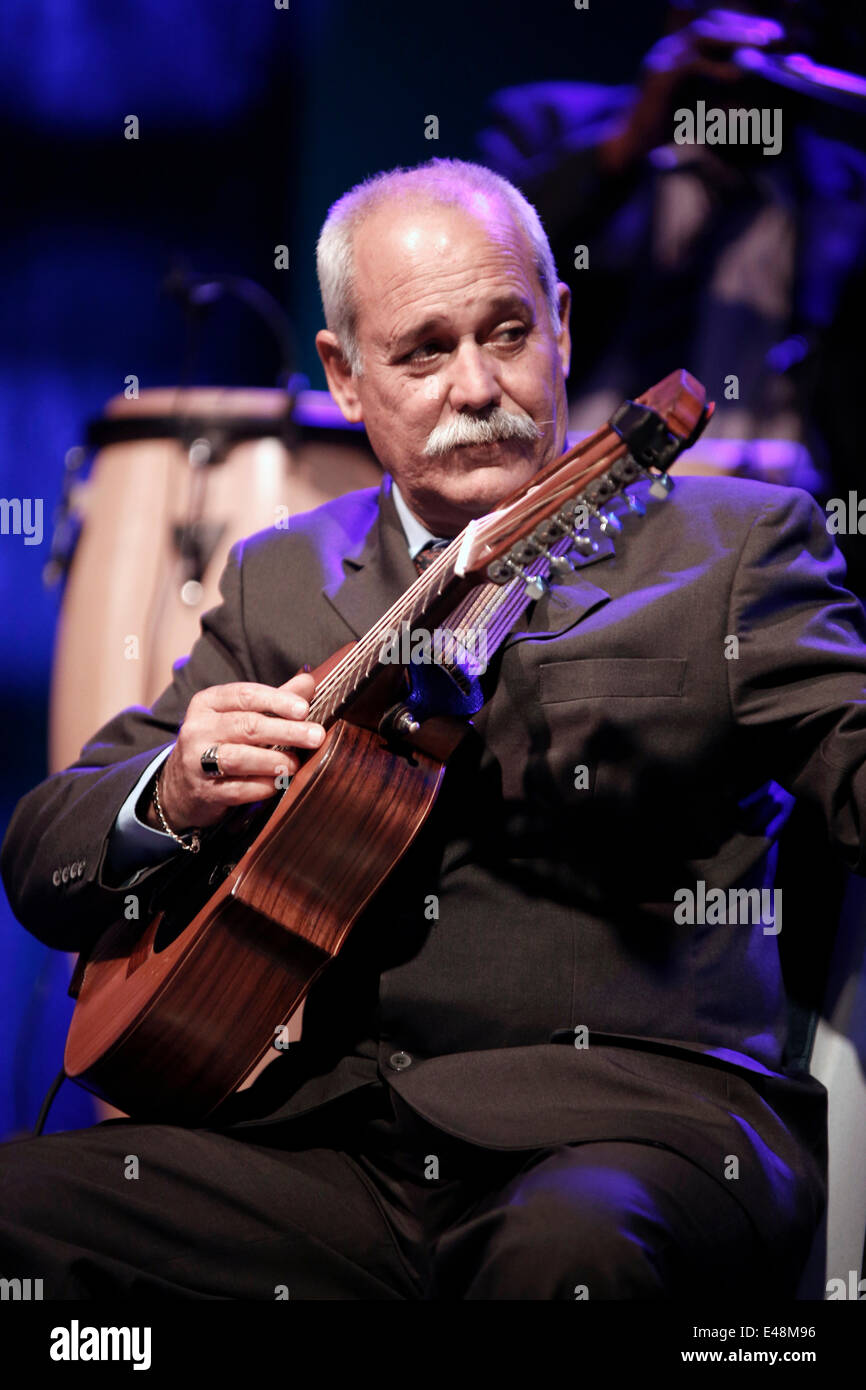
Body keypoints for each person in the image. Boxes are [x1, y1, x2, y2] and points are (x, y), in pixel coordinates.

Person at [0, 155, 861, 1300]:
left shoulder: (738, 548)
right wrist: (170, 789)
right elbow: (44, 848)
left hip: (622, 1135)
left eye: (506, 332)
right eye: (422, 350)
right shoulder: (283, 579)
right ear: (344, 377)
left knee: (565, 1257)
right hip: (323, 1150)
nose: (475, 384)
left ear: (559, 325)